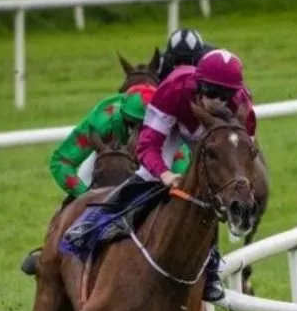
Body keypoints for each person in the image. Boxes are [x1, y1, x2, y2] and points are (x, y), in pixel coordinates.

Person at [18, 84, 191, 275]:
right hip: (104, 160)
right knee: (81, 201)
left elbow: (181, 179)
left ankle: (209, 270)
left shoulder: (167, 130)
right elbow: (61, 162)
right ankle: (53, 255)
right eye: (131, 124)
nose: (136, 133)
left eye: (142, 128)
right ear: (122, 118)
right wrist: (87, 197)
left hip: (154, 167)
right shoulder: (103, 121)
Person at [134, 48, 257, 302]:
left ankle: (210, 270)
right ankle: (103, 226)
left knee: (211, 192)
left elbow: (245, 157)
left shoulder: (243, 107)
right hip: (176, 126)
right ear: (198, 86)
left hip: (217, 138)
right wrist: (166, 174)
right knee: (147, 175)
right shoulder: (174, 89)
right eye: (212, 93)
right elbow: (146, 147)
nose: (218, 102)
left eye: (226, 96)